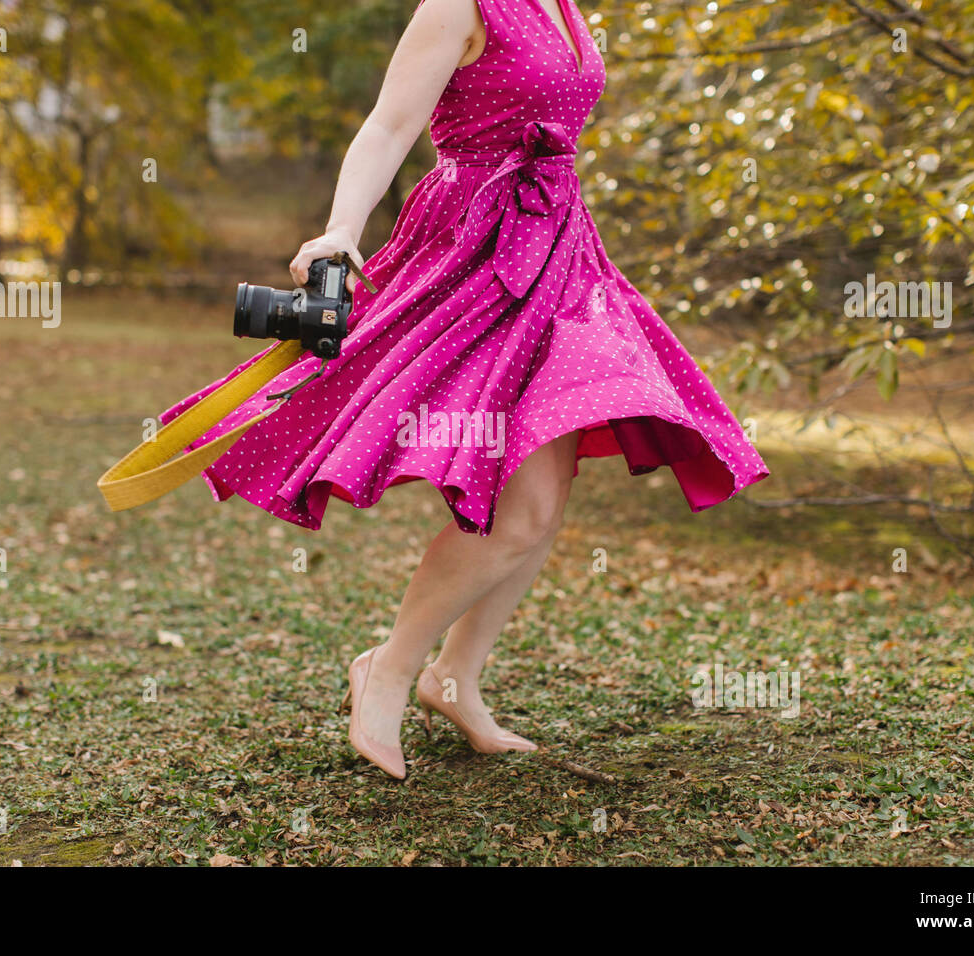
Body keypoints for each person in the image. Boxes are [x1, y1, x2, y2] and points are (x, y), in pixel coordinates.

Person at [159, 0, 769, 779]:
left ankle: (455, 677)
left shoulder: (567, 8)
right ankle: (388, 669)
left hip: (560, 252)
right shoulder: (459, 3)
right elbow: (387, 126)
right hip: (472, 253)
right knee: (522, 511)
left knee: (543, 497)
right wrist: (343, 229)